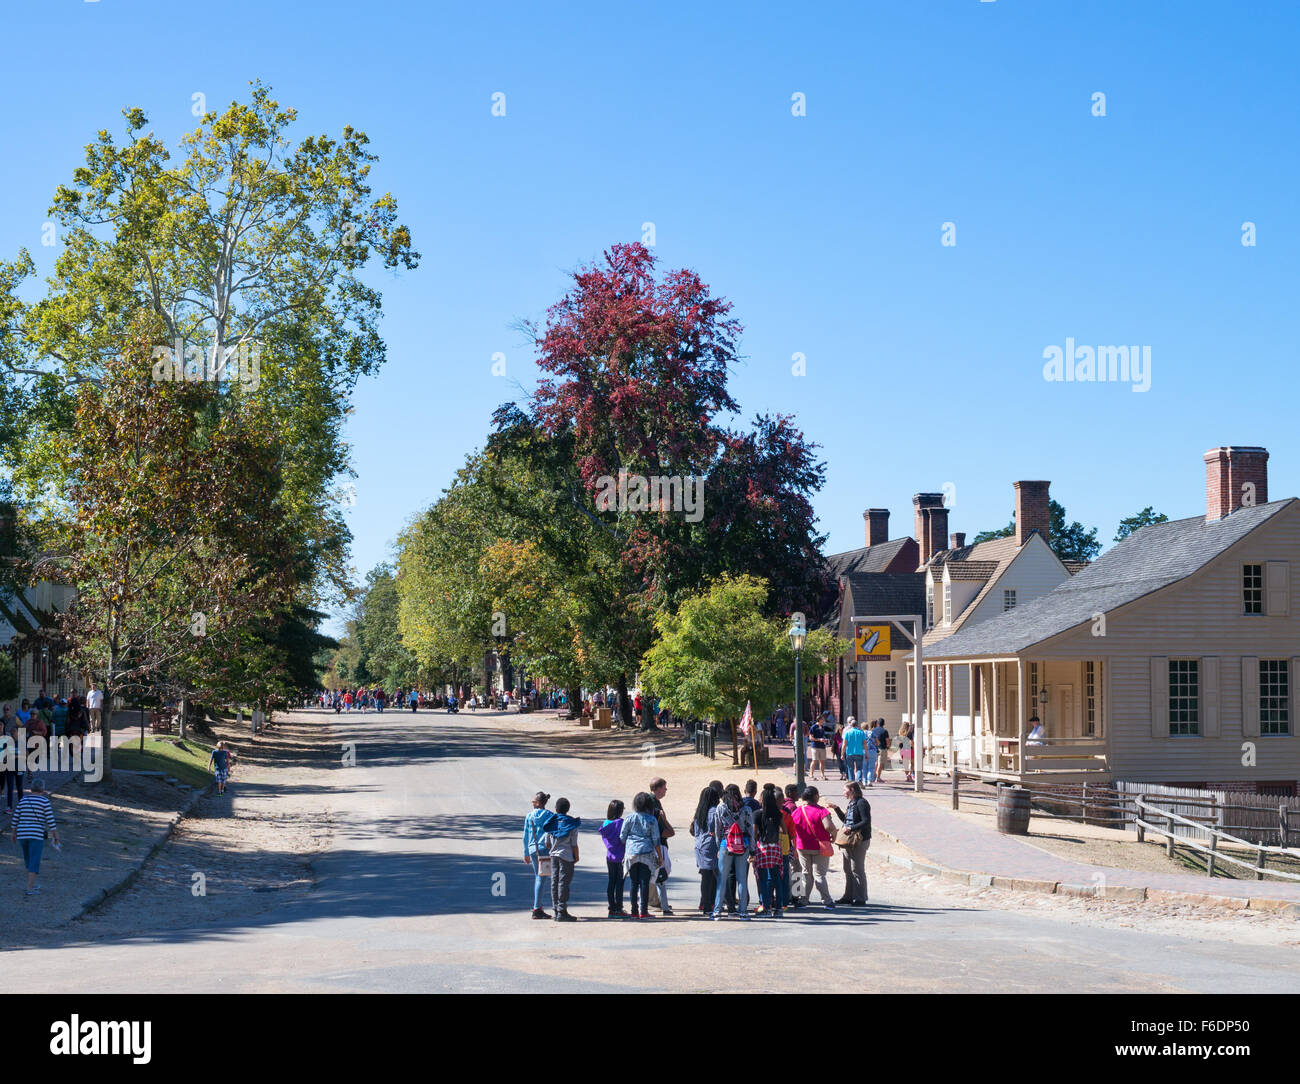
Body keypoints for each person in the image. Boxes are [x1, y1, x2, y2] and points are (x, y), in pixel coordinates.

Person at [709, 784, 753, 920]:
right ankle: (743, 912)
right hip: (743, 844)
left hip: (726, 844)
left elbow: (718, 829)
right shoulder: (746, 809)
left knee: (722, 879)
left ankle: (717, 911)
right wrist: (752, 849)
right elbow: (750, 830)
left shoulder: (721, 808)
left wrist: (718, 847)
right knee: (742, 880)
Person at [12, 777, 59, 896]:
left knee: (28, 859)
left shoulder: (23, 800)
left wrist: (14, 833)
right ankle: (29, 888)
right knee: (34, 860)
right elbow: (50, 821)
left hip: (22, 834)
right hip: (36, 834)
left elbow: (15, 818)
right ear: (42, 790)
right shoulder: (44, 802)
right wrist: (55, 835)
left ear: (31, 789)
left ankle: (31, 884)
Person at [828, 781, 872, 905]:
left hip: (859, 840)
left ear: (852, 789)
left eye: (845, 790)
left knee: (857, 869)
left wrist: (851, 828)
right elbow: (847, 820)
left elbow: (866, 821)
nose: (843, 793)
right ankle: (848, 896)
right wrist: (836, 809)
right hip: (848, 840)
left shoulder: (862, 803)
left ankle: (860, 897)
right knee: (847, 869)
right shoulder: (851, 803)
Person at [620, 792, 662, 919]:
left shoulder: (629, 818)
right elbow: (656, 839)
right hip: (646, 853)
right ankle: (643, 911)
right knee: (645, 882)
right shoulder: (651, 819)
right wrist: (660, 857)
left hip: (631, 853)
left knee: (634, 883)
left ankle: (634, 911)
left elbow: (622, 836)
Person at [792, 786, 835, 909]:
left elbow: (792, 828)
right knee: (819, 874)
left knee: (806, 873)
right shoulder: (821, 811)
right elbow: (829, 827)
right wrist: (834, 836)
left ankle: (803, 900)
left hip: (802, 846)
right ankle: (827, 900)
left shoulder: (798, 811)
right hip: (820, 846)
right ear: (815, 796)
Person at [752, 787, 785, 917]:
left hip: (763, 848)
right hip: (775, 848)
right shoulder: (778, 813)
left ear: (763, 800)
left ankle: (766, 907)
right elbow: (785, 830)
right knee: (777, 878)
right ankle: (779, 909)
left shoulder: (757, 814)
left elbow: (754, 834)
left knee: (763, 879)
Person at [546, 797, 579, 922]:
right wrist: (576, 856)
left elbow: (547, 842)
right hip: (566, 856)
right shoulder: (572, 824)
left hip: (553, 856)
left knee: (554, 881)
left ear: (556, 809)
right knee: (564, 883)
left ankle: (556, 909)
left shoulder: (552, 822)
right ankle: (562, 910)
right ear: (568, 809)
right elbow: (574, 844)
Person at [690, 786, 720, 913]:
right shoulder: (714, 811)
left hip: (700, 846)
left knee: (705, 877)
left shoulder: (699, 812)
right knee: (717, 877)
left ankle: (705, 904)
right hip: (712, 845)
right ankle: (714, 904)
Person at [647, 777, 674, 914]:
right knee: (657, 873)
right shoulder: (652, 802)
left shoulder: (654, 801)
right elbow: (657, 824)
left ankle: (656, 900)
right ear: (657, 789)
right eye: (664, 787)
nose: (666, 790)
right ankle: (653, 901)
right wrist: (667, 832)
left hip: (658, 842)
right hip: (657, 843)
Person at [600, 800, 628, 918]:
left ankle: (612, 909)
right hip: (621, 857)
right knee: (620, 884)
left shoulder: (606, 823)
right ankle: (619, 908)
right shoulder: (621, 823)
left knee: (611, 882)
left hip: (610, 856)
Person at [843, 717, 866, 784]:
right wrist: (866, 753)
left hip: (849, 753)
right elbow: (864, 744)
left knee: (850, 768)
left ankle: (852, 782)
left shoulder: (847, 733)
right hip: (859, 752)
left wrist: (842, 753)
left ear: (851, 724)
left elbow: (844, 744)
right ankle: (858, 780)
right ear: (856, 725)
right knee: (859, 768)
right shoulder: (861, 732)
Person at [808, 715, 829, 781]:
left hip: (822, 746)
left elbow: (822, 736)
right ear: (819, 720)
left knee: (822, 761)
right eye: (823, 719)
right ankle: (811, 775)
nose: (824, 720)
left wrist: (825, 740)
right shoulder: (813, 727)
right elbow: (810, 738)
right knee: (814, 760)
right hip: (815, 746)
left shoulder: (822, 727)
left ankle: (822, 775)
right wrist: (819, 739)